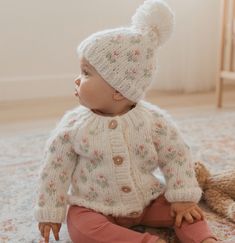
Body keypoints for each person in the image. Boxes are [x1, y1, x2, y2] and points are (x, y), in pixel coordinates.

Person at [34, 0, 220, 242]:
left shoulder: (153, 121)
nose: (77, 80)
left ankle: (204, 239)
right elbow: (54, 170)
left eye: (86, 73)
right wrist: (50, 211)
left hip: (148, 200)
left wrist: (183, 197)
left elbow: (176, 155)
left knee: (187, 212)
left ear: (119, 90)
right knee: (80, 226)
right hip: (94, 205)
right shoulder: (73, 126)